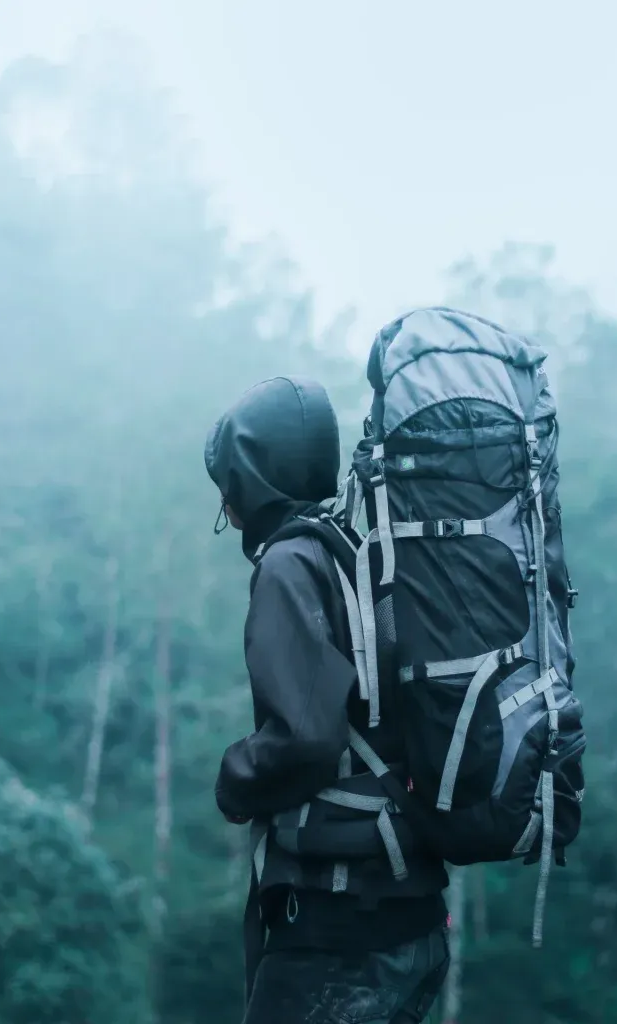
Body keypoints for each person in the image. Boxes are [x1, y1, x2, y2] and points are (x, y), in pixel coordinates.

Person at [205, 375, 450, 1024]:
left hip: (337, 934)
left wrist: (234, 779)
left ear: (252, 477)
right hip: (409, 920)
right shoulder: (359, 553)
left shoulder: (289, 565)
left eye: (228, 484)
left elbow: (306, 739)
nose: (226, 506)